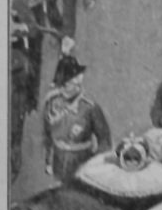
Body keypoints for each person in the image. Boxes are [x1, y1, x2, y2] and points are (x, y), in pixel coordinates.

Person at [41, 53, 111, 182]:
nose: (62, 89)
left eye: (67, 84)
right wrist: (48, 161)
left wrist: (94, 167)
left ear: (78, 81)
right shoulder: (52, 102)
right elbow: (47, 135)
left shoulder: (90, 107)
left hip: (81, 164)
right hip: (59, 163)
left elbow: (104, 142)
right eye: (61, 84)